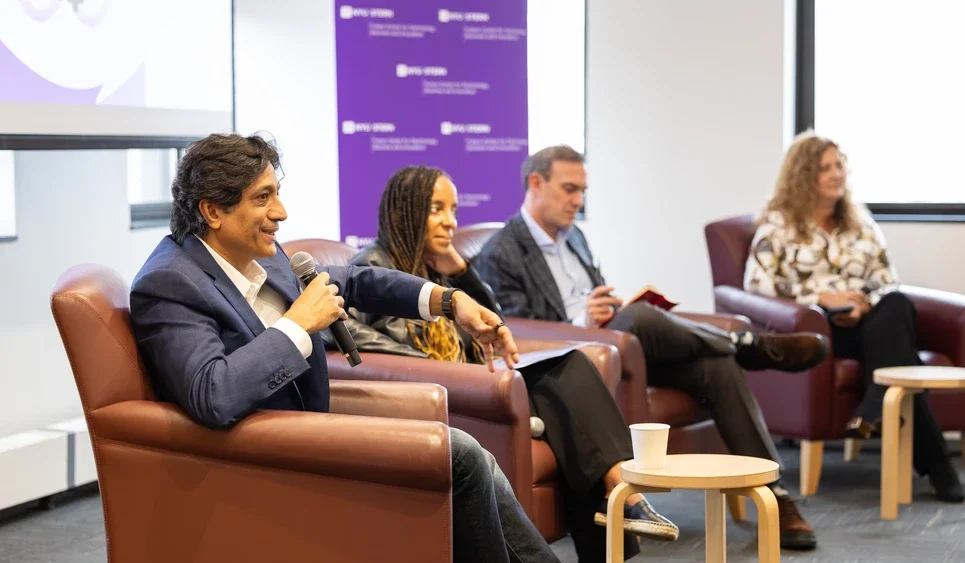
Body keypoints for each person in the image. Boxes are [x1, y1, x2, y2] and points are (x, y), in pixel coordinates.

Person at [128, 133, 562, 563]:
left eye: (276, 194)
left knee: (471, 461)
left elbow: (355, 280)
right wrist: (299, 322)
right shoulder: (170, 283)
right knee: (462, 456)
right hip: (265, 459)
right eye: (263, 198)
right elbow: (212, 394)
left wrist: (450, 301)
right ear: (212, 210)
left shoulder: (263, 254)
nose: (280, 213)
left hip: (313, 430)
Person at [474, 145, 830, 551]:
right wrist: (581, 324)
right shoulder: (501, 251)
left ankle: (777, 494)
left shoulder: (577, 240)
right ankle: (743, 344)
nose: (578, 201)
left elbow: (598, 297)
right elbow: (516, 330)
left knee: (714, 365)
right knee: (643, 321)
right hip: (578, 357)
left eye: (583, 191)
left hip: (622, 349)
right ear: (535, 184)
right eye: (570, 189)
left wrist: (612, 311)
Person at [343, 165, 679, 563]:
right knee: (568, 411)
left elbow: (494, 319)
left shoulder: (436, 267)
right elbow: (362, 343)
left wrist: (462, 271)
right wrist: (443, 369)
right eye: (437, 209)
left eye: (453, 210)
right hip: (451, 392)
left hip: (480, 380)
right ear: (404, 212)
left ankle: (620, 498)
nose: (450, 222)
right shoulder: (371, 269)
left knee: (571, 367)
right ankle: (624, 502)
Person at [744, 131, 964, 503]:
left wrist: (863, 304)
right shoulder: (778, 225)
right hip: (819, 329)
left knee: (895, 305)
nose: (836, 174)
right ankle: (937, 466)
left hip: (869, 324)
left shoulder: (860, 223)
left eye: (839, 165)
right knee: (901, 357)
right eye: (825, 168)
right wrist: (823, 299)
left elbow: (886, 279)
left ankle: (877, 404)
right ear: (802, 176)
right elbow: (757, 282)